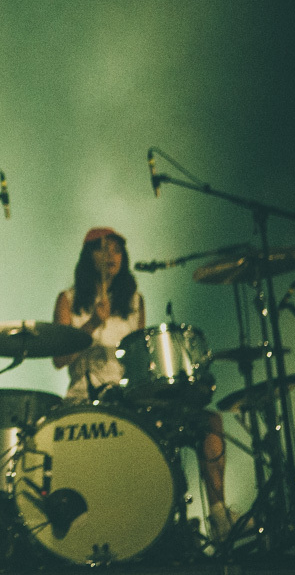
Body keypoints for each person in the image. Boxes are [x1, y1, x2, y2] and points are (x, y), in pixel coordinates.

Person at [53, 227, 238, 541]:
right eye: (103, 249)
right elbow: (59, 359)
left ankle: (219, 514)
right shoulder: (69, 300)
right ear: (89, 257)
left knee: (209, 422)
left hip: (130, 399)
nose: (111, 256)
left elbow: (140, 361)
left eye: (117, 250)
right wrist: (93, 324)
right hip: (86, 400)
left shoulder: (134, 301)